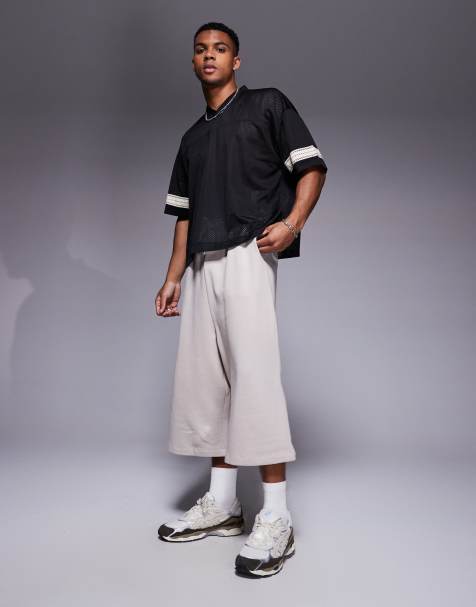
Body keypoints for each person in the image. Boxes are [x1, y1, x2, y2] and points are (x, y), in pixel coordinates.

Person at [155, 21, 327, 578]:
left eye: (220, 49)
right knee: (210, 384)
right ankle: (224, 504)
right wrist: (173, 277)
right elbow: (184, 214)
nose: (210, 56)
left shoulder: (266, 105)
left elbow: (312, 167)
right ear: (193, 62)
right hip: (201, 263)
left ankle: (277, 516)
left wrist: (292, 224)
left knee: (254, 378)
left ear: (236, 60)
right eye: (201, 50)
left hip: (248, 254)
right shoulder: (191, 138)